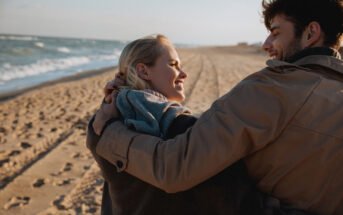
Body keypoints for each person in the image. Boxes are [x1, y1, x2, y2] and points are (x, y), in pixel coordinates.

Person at [91, 0, 343, 214]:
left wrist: (105, 133)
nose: (266, 44)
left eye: (276, 33)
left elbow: (177, 166)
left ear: (311, 33)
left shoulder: (273, 88)